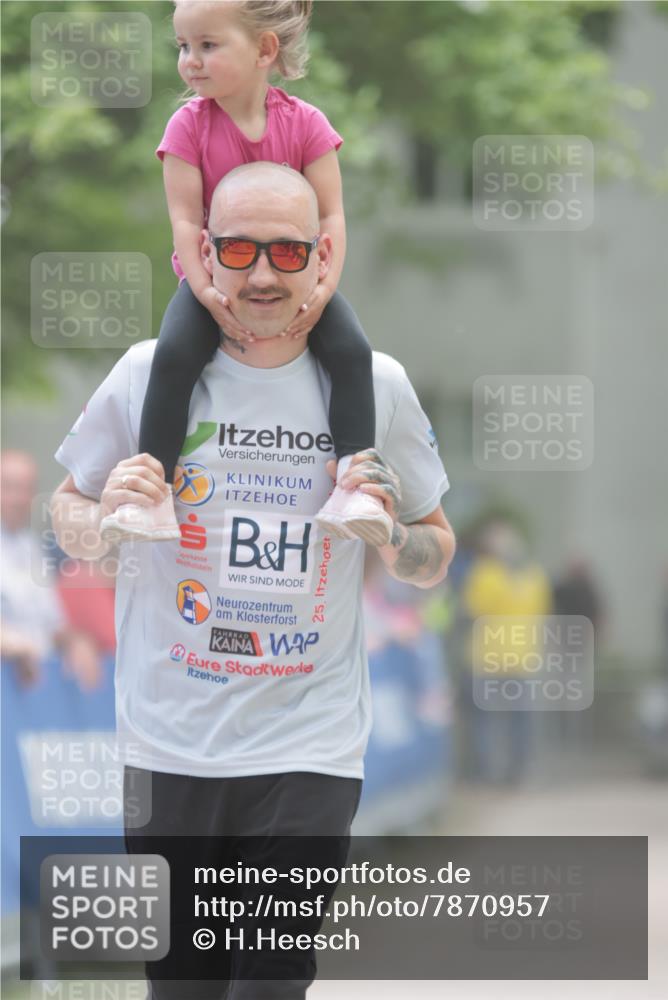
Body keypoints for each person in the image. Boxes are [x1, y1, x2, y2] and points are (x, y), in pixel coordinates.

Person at [50, 163, 455, 999]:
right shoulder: (144, 373)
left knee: (269, 983)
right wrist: (104, 519)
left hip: (309, 744)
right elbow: (68, 512)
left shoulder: (375, 385)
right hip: (167, 743)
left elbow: (435, 553)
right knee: (183, 988)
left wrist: (391, 539)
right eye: (237, 249)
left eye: (287, 250)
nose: (263, 273)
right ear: (202, 251)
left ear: (322, 257)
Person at [100, 0, 388, 546]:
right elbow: (186, 219)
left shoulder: (306, 125)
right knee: (174, 355)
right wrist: (205, 293)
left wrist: (324, 290)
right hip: (211, 283)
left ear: (264, 49)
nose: (191, 61)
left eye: (208, 45)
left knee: (351, 352)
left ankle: (356, 482)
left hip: (292, 281)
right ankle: (156, 487)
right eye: (184, 46)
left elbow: (331, 215)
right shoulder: (187, 126)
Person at [0, 449, 101, 691]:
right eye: (10, 487)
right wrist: (13, 644)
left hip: (36, 689)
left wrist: (76, 642)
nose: (19, 498)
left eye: (26, 488)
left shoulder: (33, 548)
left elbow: (52, 622)